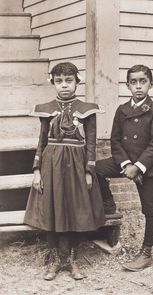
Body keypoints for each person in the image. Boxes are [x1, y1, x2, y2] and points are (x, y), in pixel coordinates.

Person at [24, 62, 105, 280]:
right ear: (53, 83)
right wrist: (37, 171)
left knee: (75, 211)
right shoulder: (46, 109)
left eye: (69, 81)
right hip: (51, 166)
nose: (64, 86)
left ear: (77, 82)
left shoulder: (87, 109)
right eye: (59, 81)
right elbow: (41, 142)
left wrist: (89, 171)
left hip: (77, 167)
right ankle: (55, 262)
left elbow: (91, 143)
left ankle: (72, 261)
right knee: (53, 210)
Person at [95, 64, 153, 271]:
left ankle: (146, 252)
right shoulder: (122, 110)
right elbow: (115, 140)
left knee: (150, 209)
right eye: (133, 82)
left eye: (142, 81)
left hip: (148, 167)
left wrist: (138, 167)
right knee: (95, 169)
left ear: (151, 84)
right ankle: (108, 205)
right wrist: (126, 164)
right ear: (127, 85)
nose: (138, 86)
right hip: (124, 162)